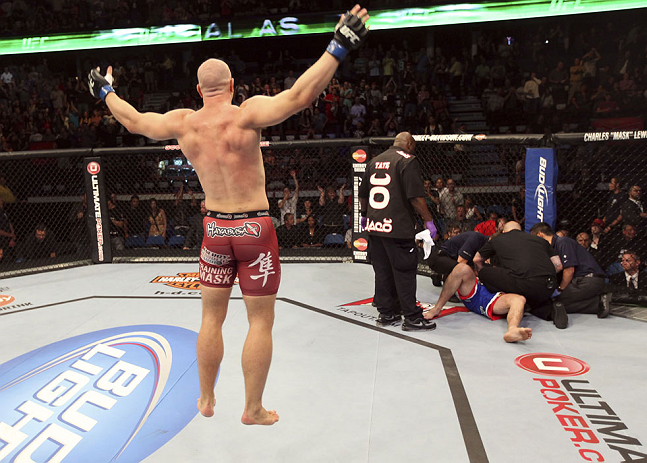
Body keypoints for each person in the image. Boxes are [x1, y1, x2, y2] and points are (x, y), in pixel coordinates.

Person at [88, 4, 369, 425]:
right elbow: (300, 97)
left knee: (210, 317)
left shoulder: (185, 123)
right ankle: (252, 408)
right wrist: (338, 47)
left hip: (215, 228)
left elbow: (134, 122)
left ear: (199, 90)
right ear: (232, 86)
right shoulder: (246, 113)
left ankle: (206, 399)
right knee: (260, 321)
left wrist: (106, 91)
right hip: (254, 227)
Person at [358, 132, 437, 331]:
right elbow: (416, 197)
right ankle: (411, 317)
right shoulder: (408, 161)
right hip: (397, 228)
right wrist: (428, 220)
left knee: (382, 271)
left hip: (375, 227)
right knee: (405, 271)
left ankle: (386, 314)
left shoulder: (374, 161)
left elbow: (363, 194)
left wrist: (365, 215)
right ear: (409, 144)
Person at [473, 221, 562, 319]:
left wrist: (480, 272)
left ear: (504, 232)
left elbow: (476, 259)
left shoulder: (498, 239)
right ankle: (549, 311)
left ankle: (507, 302)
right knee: (532, 297)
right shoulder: (540, 240)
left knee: (485, 273)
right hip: (548, 286)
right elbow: (558, 265)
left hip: (522, 283)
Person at [422, 263, 531, 343]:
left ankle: (512, 330)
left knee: (519, 299)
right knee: (461, 268)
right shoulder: (483, 244)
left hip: (497, 297)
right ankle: (437, 308)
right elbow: (476, 260)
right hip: (477, 290)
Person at [530, 222, 608, 326]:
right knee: (558, 304)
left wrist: (560, 289)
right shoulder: (555, 246)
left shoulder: (563, 242)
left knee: (553, 303)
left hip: (587, 280)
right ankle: (597, 303)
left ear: (540, 235)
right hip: (586, 281)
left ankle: (597, 303)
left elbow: (569, 270)